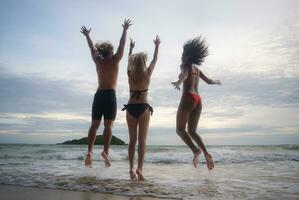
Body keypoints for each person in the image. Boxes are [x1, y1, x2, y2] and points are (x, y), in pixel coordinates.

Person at [81, 19, 132, 167]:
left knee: (94, 125)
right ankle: (105, 152)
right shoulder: (115, 60)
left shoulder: (98, 61)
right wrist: (125, 30)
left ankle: (89, 152)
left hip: (99, 95)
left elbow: (91, 48)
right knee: (108, 126)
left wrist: (87, 36)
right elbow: (122, 45)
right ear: (110, 51)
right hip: (110, 95)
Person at [171, 37, 221, 170]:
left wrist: (179, 82)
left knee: (180, 130)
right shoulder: (197, 69)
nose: (181, 56)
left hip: (188, 97)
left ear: (188, 56)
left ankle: (195, 150)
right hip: (198, 100)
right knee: (192, 131)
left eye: (183, 53)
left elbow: (184, 74)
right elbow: (209, 81)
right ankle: (207, 153)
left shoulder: (185, 66)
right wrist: (217, 81)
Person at [122, 36, 161, 181]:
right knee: (142, 140)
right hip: (144, 107)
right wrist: (157, 45)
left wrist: (131, 48)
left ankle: (131, 169)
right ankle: (140, 168)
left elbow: (128, 60)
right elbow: (155, 60)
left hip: (131, 107)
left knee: (132, 141)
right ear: (143, 62)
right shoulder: (147, 73)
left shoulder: (130, 74)